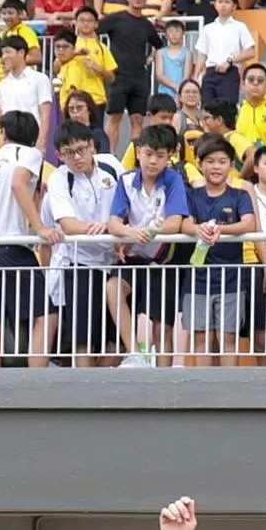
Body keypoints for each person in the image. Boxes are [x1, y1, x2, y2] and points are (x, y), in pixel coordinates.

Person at [0, 109, 58, 368]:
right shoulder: (28, 154)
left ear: (4, 133)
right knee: (47, 313)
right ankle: (36, 380)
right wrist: (41, 227)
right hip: (9, 247)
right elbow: (18, 184)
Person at [106, 123, 190, 361]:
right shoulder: (126, 180)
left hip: (163, 264)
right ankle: (134, 353)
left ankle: (163, 385)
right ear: (138, 151)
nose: (153, 161)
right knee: (112, 287)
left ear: (169, 156)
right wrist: (129, 232)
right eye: (148, 154)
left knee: (161, 329)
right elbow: (113, 223)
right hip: (132, 259)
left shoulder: (173, 180)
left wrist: (146, 232)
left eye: (160, 156)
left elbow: (175, 222)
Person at [47, 120, 125, 364]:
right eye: (69, 153)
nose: (77, 157)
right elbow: (68, 224)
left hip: (115, 260)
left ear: (92, 146)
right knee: (83, 340)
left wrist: (113, 226)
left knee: (116, 339)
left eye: (81, 149)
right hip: (79, 263)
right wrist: (101, 229)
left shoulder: (112, 165)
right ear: (60, 155)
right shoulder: (59, 179)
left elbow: (128, 203)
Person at [181, 133, 257, 364]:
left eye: (222, 161)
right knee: (201, 338)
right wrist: (198, 229)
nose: (216, 167)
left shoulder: (240, 195)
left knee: (228, 339)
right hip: (197, 278)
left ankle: (229, 399)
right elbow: (183, 222)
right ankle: (205, 397)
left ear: (231, 165)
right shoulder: (191, 194)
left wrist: (222, 230)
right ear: (200, 164)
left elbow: (249, 223)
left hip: (231, 278)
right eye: (210, 161)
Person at [100, 0, 164, 151]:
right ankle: (109, 156)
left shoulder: (146, 24)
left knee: (138, 120)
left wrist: (150, 58)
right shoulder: (115, 18)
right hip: (118, 76)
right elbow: (93, 31)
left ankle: (133, 158)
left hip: (139, 77)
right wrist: (102, 59)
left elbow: (159, 45)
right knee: (115, 117)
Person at [193, 0, 256, 106]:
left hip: (230, 72)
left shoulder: (240, 27)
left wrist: (230, 61)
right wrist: (196, 76)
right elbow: (202, 55)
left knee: (227, 110)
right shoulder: (208, 28)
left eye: (227, 2)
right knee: (208, 110)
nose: (223, 5)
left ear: (234, 6)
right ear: (215, 5)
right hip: (210, 72)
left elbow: (251, 52)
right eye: (220, 1)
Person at [0, 35, 51, 146]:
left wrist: (41, 142)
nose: (4, 57)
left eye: (8, 52)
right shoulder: (3, 84)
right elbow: (1, 114)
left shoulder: (40, 78)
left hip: (31, 140)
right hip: (8, 142)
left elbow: (45, 114)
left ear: (21, 53)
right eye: (3, 53)